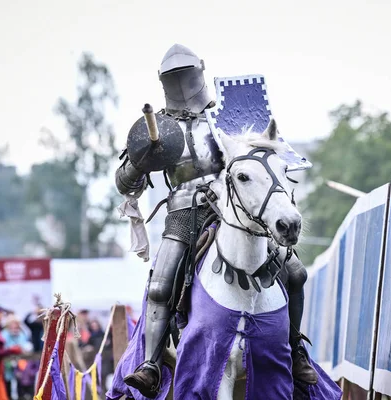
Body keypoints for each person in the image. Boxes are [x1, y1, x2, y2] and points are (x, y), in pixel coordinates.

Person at [115, 44, 316, 398]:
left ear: (199, 71)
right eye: (173, 77)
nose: (181, 82)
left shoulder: (229, 116)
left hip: (235, 208)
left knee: (296, 272)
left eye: (185, 73)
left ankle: (295, 349)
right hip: (183, 211)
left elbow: (263, 160)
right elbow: (124, 182)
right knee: (161, 287)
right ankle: (150, 365)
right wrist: (141, 157)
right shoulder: (159, 127)